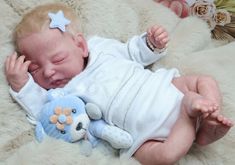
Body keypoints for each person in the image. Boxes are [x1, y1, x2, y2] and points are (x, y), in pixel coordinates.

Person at [4, 3, 233, 165]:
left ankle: (207, 126)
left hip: (165, 90)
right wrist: (22, 83)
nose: (49, 71)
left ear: (81, 46)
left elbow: (134, 52)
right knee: (164, 157)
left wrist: (151, 43)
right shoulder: (63, 94)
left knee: (204, 81)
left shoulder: (102, 49)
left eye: (58, 59)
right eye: (35, 68)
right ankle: (189, 116)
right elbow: (45, 112)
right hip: (146, 131)